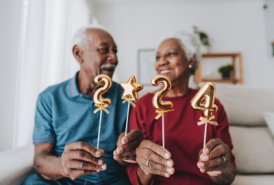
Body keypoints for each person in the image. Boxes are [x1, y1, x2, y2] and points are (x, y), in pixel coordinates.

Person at [22, 26, 141, 185]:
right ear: (78, 53)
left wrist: (126, 151)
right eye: (104, 49)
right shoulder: (49, 98)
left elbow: (126, 161)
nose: (114, 58)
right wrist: (63, 166)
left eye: (115, 51)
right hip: (63, 180)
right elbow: (40, 157)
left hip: (110, 180)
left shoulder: (126, 96)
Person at [120, 31, 236, 185]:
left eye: (171, 54)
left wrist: (217, 166)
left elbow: (229, 173)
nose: (161, 62)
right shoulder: (143, 106)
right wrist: (146, 165)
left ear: (191, 60)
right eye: (157, 57)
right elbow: (136, 177)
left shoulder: (211, 105)